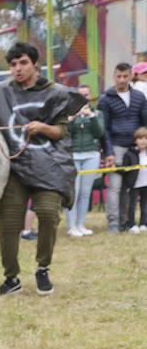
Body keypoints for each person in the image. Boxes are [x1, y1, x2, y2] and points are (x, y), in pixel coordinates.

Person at [0, 41, 85, 297]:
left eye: (23, 63)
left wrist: (43, 128)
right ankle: (11, 278)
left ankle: (43, 268)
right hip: (16, 167)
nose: (18, 68)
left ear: (35, 64)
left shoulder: (55, 93)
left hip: (51, 166)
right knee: (9, 223)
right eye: (13, 64)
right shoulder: (1, 91)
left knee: (47, 214)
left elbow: (61, 131)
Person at [96, 62, 147, 233]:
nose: (122, 80)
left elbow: (144, 123)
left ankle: (124, 222)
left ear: (131, 76)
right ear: (114, 76)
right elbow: (104, 129)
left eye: (125, 76)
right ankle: (113, 224)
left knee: (128, 186)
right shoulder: (105, 99)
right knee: (115, 186)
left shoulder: (140, 97)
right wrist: (108, 151)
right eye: (119, 76)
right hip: (115, 147)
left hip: (135, 148)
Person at [67, 85, 105, 237]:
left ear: (90, 96)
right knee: (73, 192)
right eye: (80, 95)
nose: (84, 97)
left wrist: (91, 116)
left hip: (91, 155)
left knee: (85, 192)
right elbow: (66, 133)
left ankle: (80, 224)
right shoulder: (70, 113)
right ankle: (71, 226)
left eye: (86, 94)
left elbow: (100, 132)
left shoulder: (97, 113)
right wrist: (72, 118)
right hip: (74, 155)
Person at [122, 126, 147, 232]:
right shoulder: (130, 153)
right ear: (135, 140)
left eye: (145, 138)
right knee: (132, 205)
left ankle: (143, 223)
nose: (143, 141)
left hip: (146, 184)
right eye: (140, 138)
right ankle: (132, 224)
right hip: (134, 184)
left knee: (145, 205)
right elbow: (124, 169)